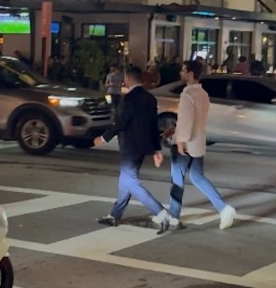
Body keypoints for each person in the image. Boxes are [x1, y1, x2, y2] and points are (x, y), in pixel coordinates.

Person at [93, 66, 172, 231]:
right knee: (125, 182)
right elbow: (153, 126)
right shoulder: (150, 98)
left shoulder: (129, 98)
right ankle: (114, 215)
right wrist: (156, 150)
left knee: (131, 183)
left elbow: (122, 122)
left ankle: (160, 212)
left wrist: (104, 137)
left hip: (130, 146)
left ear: (128, 79)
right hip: (143, 147)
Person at [168, 59, 236, 229]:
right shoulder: (203, 94)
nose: (181, 73)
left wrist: (180, 140)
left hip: (186, 144)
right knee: (197, 177)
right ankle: (224, 208)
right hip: (198, 143)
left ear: (191, 74)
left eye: (183, 70)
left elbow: (186, 120)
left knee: (177, 179)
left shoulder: (187, 95)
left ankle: (173, 216)